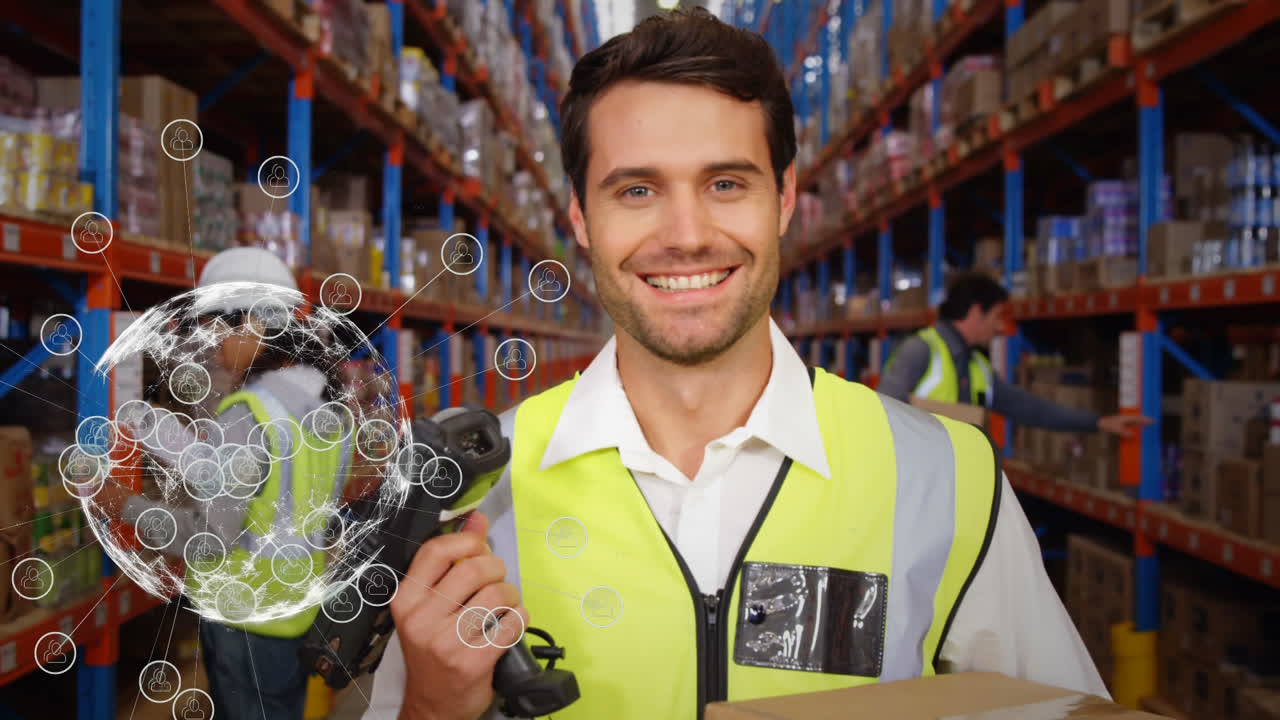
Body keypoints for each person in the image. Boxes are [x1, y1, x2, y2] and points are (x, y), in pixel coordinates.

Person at [365, 9, 1107, 720]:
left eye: (726, 183)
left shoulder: (946, 480)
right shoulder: (474, 499)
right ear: (581, 220)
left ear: (783, 198)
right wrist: (432, 709)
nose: (686, 235)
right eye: (637, 190)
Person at [98, 246, 352, 720]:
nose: (212, 348)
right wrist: (170, 439)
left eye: (214, 329)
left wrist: (125, 505)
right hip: (295, 612)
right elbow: (277, 493)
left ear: (252, 322)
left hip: (244, 622)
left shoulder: (250, 411)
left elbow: (211, 537)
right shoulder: (322, 401)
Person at [879, 271, 1151, 436]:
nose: (1001, 327)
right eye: (997, 316)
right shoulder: (921, 350)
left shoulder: (978, 367)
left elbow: (1027, 408)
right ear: (975, 312)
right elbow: (882, 409)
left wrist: (1098, 421)